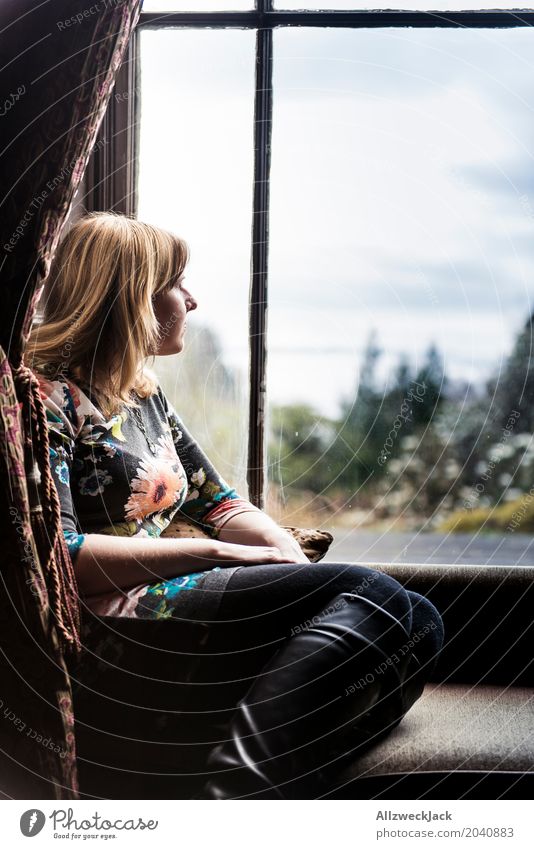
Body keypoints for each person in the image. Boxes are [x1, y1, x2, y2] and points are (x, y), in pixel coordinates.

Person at [27, 211, 445, 800]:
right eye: (176, 283)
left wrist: (281, 549)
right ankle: (237, 792)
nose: (191, 301)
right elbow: (62, 559)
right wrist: (216, 554)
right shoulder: (43, 398)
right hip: (113, 620)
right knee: (374, 594)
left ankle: (262, 775)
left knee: (423, 619)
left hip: (170, 597)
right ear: (130, 298)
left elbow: (219, 500)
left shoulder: (142, 394)